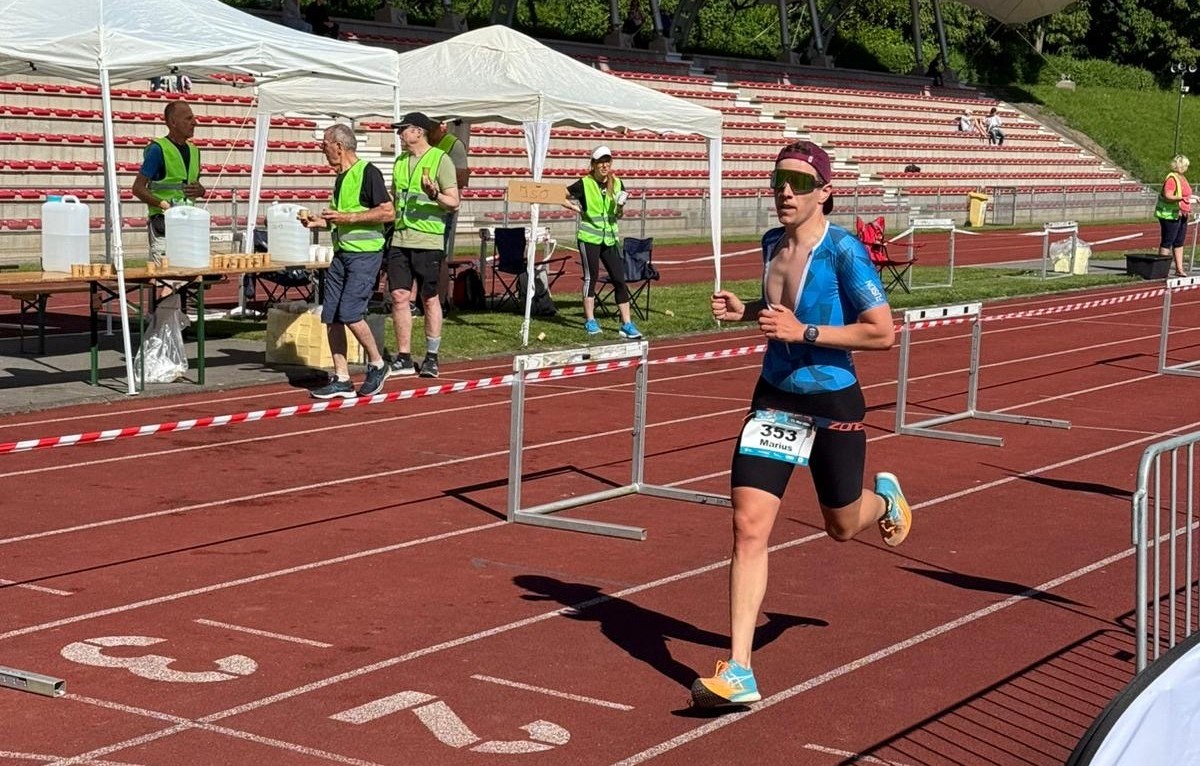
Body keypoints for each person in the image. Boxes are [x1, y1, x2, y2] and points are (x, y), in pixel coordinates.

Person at [690, 140, 912, 708]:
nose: (785, 192)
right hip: (773, 399)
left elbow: (883, 333)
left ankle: (883, 503)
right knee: (748, 525)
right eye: (777, 181)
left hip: (832, 404)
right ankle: (739, 668)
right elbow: (776, 318)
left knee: (840, 525)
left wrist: (805, 333)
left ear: (825, 192)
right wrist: (743, 312)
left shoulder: (844, 253)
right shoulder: (770, 243)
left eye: (799, 182)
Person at [301, 123, 393, 399]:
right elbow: (340, 219)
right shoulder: (341, 178)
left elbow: (387, 212)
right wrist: (318, 222)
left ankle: (378, 363)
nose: (322, 151)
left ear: (338, 147)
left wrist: (348, 218)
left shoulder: (368, 173)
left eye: (324, 145)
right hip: (342, 253)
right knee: (332, 315)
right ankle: (342, 377)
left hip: (364, 255)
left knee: (351, 312)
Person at [386, 112, 460, 379]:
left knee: (429, 298)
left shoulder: (441, 160)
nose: (399, 134)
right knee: (399, 296)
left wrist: (434, 195)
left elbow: (454, 201)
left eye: (403, 129)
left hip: (428, 239)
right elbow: (395, 197)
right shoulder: (400, 161)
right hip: (400, 238)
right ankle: (404, 356)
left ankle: (431, 356)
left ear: (418, 131)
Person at [561, 145, 642, 339]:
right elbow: (559, 195)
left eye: (607, 162)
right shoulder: (584, 183)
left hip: (610, 239)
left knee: (619, 280)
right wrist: (577, 209)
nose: (605, 166)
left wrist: (620, 208)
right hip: (589, 238)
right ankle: (590, 321)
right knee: (592, 277)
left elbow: (618, 215)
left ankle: (627, 324)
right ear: (593, 165)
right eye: (600, 162)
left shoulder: (618, 183)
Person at [130, 102, 206, 266]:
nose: (195, 122)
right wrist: (163, 204)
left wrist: (201, 191)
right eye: (188, 118)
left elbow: (192, 184)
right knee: (165, 275)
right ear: (173, 122)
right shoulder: (158, 150)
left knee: (190, 275)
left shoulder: (195, 151)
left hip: (189, 224)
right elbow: (137, 188)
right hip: (163, 223)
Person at [428, 118, 471, 309]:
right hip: (424, 210)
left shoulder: (453, 145)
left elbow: (461, 178)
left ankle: (441, 299)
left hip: (442, 208)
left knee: (439, 255)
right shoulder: (424, 145)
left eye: (430, 128)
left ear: (441, 126)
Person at [1155, 154, 1195, 278]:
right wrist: (1182, 198)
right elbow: (1168, 195)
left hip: (1182, 214)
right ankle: (1161, 269)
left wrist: (1193, 198)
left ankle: (1179, 268)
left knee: (1179, 242)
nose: (1187, 168)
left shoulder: (1182, 178)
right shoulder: (1172, 178)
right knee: (1168, 241)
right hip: (1170, 215)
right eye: (1186, 165)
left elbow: (1186, 194)